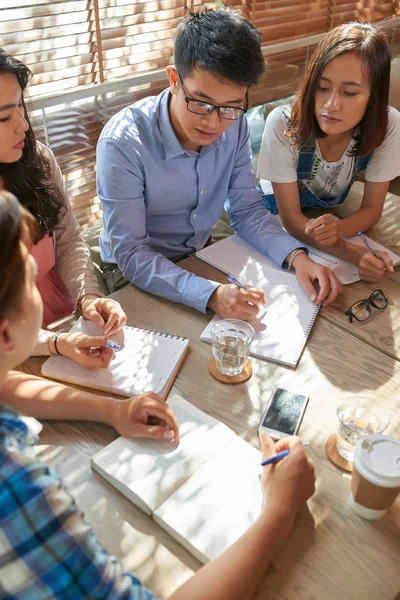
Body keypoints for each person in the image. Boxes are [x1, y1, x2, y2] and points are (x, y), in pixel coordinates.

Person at [0, 190, 315, 599]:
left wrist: (112, 409)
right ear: (7, 332)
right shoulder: (19, 490)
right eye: (30, 279)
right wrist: (277, 511)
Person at [97, 8, 341, 314]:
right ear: (174, 79)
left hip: (202, 252)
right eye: (201, 103)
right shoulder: (122, 143)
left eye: (231, 106)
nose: (213, 123)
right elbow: (131, 254)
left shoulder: (234, 122)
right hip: (132, 272)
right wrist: (209, 294)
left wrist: (298, 257)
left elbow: (246, 210)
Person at [0, 48, 127, 368]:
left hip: (65, 317)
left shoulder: (37, 160)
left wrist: (89, 297)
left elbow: (69, 238)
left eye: (20, 107)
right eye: (4, 116)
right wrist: (55, 343)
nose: (23, 125)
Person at [257, 22, 400, 283]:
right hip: (278, 210)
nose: (331, 105)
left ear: (373, 97)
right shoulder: (282, 123)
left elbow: (371, 209)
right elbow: (291, 219)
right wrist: (355, 254)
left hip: (333, 208)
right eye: (322, 88)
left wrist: (339, 229)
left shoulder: (389, 124)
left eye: (349, 92)